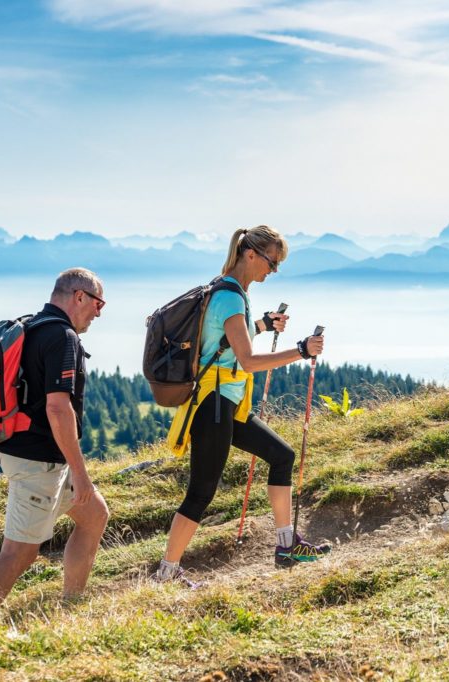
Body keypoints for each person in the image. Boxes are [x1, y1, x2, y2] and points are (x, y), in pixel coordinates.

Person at [155, 225, 329, 587]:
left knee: (281, 456)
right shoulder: (230, 297)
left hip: (228, 402)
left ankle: (286, 545)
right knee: (201, 491)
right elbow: (247, 361)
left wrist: (263, 324)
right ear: (251, 255)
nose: (274, 270)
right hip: (214, 403)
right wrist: (300, 350)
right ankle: (167, 573)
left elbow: (226, 340)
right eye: (272, 261)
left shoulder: (231, 292)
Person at [0, 268, 110, 623]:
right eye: (98, 303)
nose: (98, 312)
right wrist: (81, 473)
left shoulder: (32, 326)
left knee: (93, 515)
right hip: (37, 461)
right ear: (79, 296)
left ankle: (72, 604)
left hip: (21, 448)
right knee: (19, 553)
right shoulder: (63, 337)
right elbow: (57, 408)